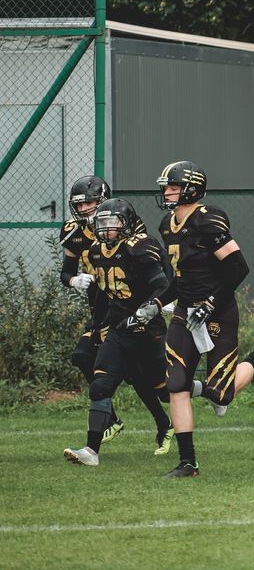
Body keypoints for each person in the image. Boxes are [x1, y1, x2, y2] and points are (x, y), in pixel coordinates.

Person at [157, 161, 254, 478]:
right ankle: (188, 462)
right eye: (166, 186)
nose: (167, 192)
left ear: (191, 188)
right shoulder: (167, 224)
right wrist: (158, 302)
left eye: (172, 186)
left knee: (221, 393)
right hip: (186, 312)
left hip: (218, 313)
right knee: (176, 385)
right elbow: (181, 277)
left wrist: (210, 303)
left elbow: (238, 268)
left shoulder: (207, 220)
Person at [63, 199, 172, 465]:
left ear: (126, 225)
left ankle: (213, 390)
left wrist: (152, 308)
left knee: (166, 390)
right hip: (119, 328)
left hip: (149, 330)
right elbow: (99, 291)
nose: (106, 229)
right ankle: (91, 451)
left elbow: (163, 285)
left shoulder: (140, 247)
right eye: (102, 223)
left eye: (112, 223)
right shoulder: (95, 251)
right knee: (101, 384)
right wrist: (97, 322)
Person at [59, 175, 124, 442]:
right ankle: (111, 417)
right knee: (83, 357)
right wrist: (75, 280)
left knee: (146, 377)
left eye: (90, 203)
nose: (85, 209)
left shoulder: (118, 224)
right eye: (80, 204)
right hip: (98, 306)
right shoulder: (72, 231)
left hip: (122, 303)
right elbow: (65, 273)